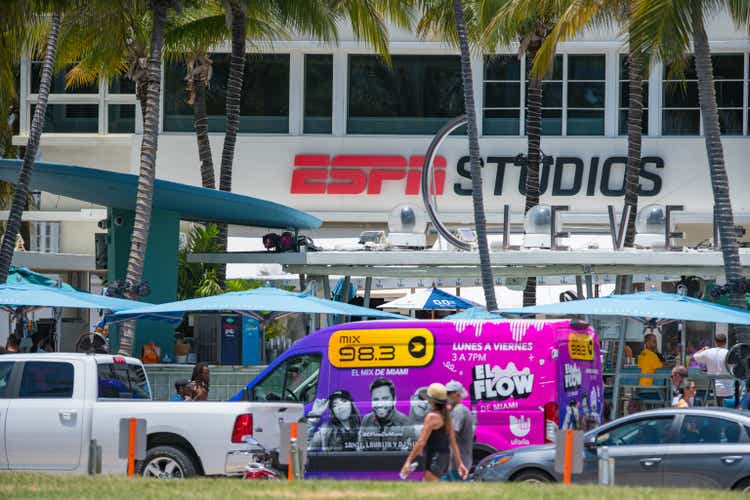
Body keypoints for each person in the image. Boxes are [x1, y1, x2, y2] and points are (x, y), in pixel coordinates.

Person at [400, 383, 468, 482]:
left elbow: (421, 441)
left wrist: (408, 461)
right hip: (444, 459)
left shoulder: (432, 417)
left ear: (430, 400)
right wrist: (460, 464)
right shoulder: (447, 415)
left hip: (434, 459)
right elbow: (453, 442)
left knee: (430, 492)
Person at [358, 377, 414, 451]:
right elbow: (361, 450)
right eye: (376, 399)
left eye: (385, 398)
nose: (380, 404)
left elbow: (405, 456)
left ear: (394, 400)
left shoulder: (405, 423)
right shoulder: (366, 420)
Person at [443, 380, 474, 481]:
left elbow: (451, 434)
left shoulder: (459, 410)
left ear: (458, 394)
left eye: (449, 393)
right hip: (456, 462)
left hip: (457, 463)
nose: (446, 396)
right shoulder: (456, 409)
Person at [692, 333, 732, 406]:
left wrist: (703, 349)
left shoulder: (708, 352)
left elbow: (694, 357)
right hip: (728, 389)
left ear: (715, 342)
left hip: (713, 388)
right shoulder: (728, 353)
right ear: (725, 342)